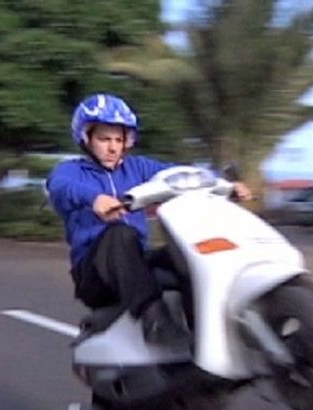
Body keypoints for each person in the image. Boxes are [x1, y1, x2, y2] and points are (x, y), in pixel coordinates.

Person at [46, 93, 251, 344]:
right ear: (86, 138)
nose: (113, 147)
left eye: (119, 139)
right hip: (95, 274)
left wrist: (225, 185)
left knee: (187, 254)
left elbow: (181, 174)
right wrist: (94, 198)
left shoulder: (138, 167)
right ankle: (156, 322)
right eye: (104, 139)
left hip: (138, 263)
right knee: (119, 233)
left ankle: (207, 336)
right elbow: (59, 186)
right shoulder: (71, 171)